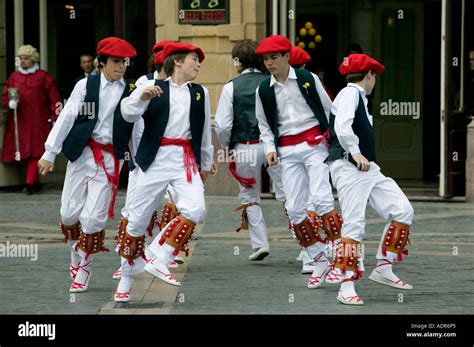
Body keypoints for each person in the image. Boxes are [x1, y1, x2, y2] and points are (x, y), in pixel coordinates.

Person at [115, 42, 216, 302]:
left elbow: (204, 132)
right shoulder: (152, 86)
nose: (198, 64)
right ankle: (125, 279)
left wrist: (205, 161)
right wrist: (141, 97)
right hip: (154, 159)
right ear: (178, 61)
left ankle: (159, 256)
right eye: (195, 59)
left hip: (184, 160)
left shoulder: (200, 93)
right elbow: (126, 114)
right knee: (137, 221)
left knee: (195, 208)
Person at [37, 37, 137, 293]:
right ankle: (75, 251)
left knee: (93, 219)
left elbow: (137, 129)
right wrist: (50, 152)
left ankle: (84, 268)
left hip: (110, 160)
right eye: (116, 62)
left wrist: (138, 162)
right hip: (82, 155)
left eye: (124, 62)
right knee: (69, 214)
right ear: (102, 62)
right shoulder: (86, 86)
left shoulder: (131, 91)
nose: (121, 67)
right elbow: (67, 116)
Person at [255, 35, 343, 289]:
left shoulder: (307, 79)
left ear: (286, 57)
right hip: (287, 151)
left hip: (315, 145)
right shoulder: (263, 89)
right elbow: (263, 123)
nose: (269, 63)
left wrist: (334, 142)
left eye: (273, 58)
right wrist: (270, 148)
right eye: (265, 59)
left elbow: (328, 110)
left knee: (323, 200)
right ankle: (318, 258)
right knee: (294, 209)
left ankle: (341, 256)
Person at [327, 53, 414, 305]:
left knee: (402, 210)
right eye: (374, 75)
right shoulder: (350, 94)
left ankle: (383, 267)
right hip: (349, 165)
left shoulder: (357, 97)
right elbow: (342, 126)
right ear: (370, 75)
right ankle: (346, 285)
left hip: (366, 168)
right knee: (354, 224)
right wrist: (355, 152)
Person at [112, 41, 179, 282]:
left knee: (178, 204)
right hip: (143, 157)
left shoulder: (185, 87)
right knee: (133, 209)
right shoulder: (143, 83)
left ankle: (162, 251)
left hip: (172, 159)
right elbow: (130, 116)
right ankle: (127, 260)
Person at [215, 39, 286, 261]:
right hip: (272, 146)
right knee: (289, 194)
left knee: (249, 196)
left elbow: (223, 125)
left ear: (238, 62)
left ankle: (260, 244)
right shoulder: (272, 82)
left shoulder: (230, 87)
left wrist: (227, 147)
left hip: (244, 146)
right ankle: (307, 248)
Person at [2, 44, 61, 194]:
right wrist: (9, 102)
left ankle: (29, 183)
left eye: (26, 58)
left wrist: (55, 117)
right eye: (20, 58)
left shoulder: (43, 77)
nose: (23, 61)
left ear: (33, 59)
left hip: (39, 120)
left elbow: (54, 99)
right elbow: (5, 95)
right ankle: (35, 182)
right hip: (21, 121)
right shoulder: (14, 77)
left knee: (36, 150)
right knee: (25, 151)